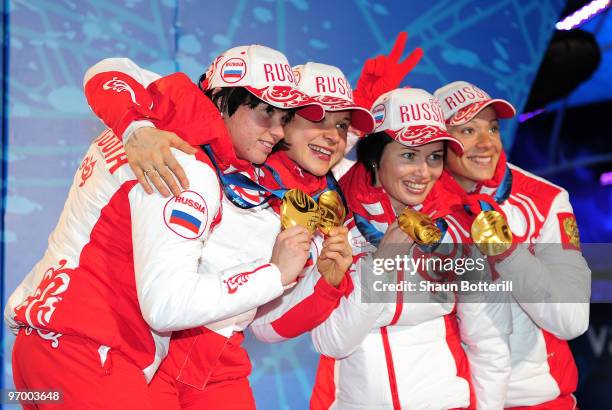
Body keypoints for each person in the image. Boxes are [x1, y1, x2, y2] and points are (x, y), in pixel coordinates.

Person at [5, 44, 324, 409]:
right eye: (268, 112)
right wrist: (274, 274)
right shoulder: (184, 164)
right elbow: (167, 305)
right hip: (96, 356)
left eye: (285, 117)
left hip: (48, 347)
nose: (279, 131)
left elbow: (111, 68)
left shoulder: (156, 118)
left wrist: (134, 126)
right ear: (221, 101)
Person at [310, 88, 512, 409]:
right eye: (408, 155)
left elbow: (489, 341)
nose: (424, 172)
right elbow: (332, 342)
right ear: (375, 157)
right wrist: (383, 266)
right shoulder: (335, 223)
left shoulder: (460, 227)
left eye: (434, 157)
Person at [434, 81, 591, 409]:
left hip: (533, 400)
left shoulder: (544, 200)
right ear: (441, 143)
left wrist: (506, 252)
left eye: (492, 129)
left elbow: (571, 319)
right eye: (467, 131)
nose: (486, 143)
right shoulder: (414, 199)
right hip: (443, 398)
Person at [249, 61, 376, 342]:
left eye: (342, 124)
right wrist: (141, 128)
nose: (334, 136)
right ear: (282, 119)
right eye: (318, 118)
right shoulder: (248, 182)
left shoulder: (327, 184)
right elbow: (264, 327)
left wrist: (327, 281)